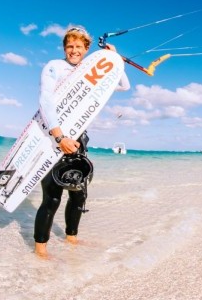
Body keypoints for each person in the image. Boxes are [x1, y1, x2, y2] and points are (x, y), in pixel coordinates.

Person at [34, 26, 130, 259]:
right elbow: (46, 102)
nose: (74, 50)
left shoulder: (90, 71)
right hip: (54, 137)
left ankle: (71, 239)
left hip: (78, 139)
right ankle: (40, 250)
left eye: (79, 46)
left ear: (87, 48)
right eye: (70, 46)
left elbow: (123, 86)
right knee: (52, 196)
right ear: (64, 48)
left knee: (79, 193)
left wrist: (114, 59)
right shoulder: (54, 67)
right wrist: (59, 137)